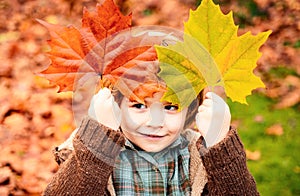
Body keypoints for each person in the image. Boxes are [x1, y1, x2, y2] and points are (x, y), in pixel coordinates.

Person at [43, 72, 259, 195]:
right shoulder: (88, 151)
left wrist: (219, 144)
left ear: (190, 111)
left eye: (171, 107)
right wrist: (99, 139)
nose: (155, 122)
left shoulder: (198, 157)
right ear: (114, 107)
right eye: (139, 106)